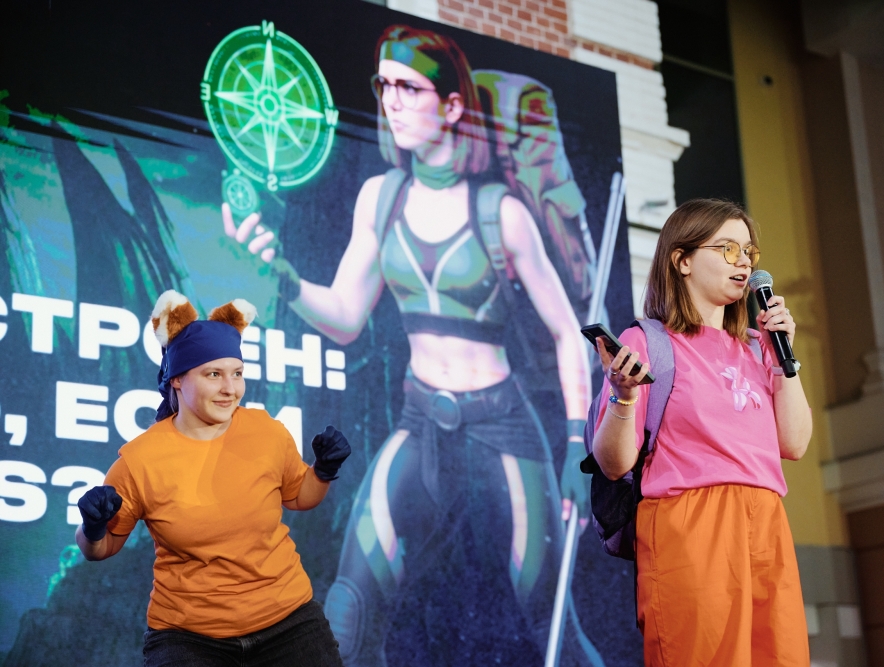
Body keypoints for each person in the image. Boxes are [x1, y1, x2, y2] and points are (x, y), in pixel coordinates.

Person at [222, 24, 601, 666]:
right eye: (384, 86)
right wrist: (282, 277)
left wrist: (575, 448)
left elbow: (569, 332)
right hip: (420, 422)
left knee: (551, 627)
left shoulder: (502, 212)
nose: (391, 101)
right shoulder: (381, 199)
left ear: (452, 106)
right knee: (348, 610)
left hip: (503, 431)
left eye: (409, 87)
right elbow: (346, 316)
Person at [75, 290, 352, 667]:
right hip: (189, 638)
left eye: (237, 373)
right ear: (177, 379)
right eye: (214, 375)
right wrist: (92, 527)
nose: (230, 389)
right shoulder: (140, 460)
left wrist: (323, 470)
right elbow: (100, 549)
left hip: (288, 621)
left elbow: (299, 496)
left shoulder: (267, 431)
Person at [591, 199, 812, 667]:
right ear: (683, 260)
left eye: (748, 252)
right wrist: (623, 394)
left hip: (767, 523)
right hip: (691, 525)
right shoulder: (647, 342)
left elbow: (794, 443)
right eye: (727, 248)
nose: (743, 262)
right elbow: (614, 463)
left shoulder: (756, 348)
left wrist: (782, 357)